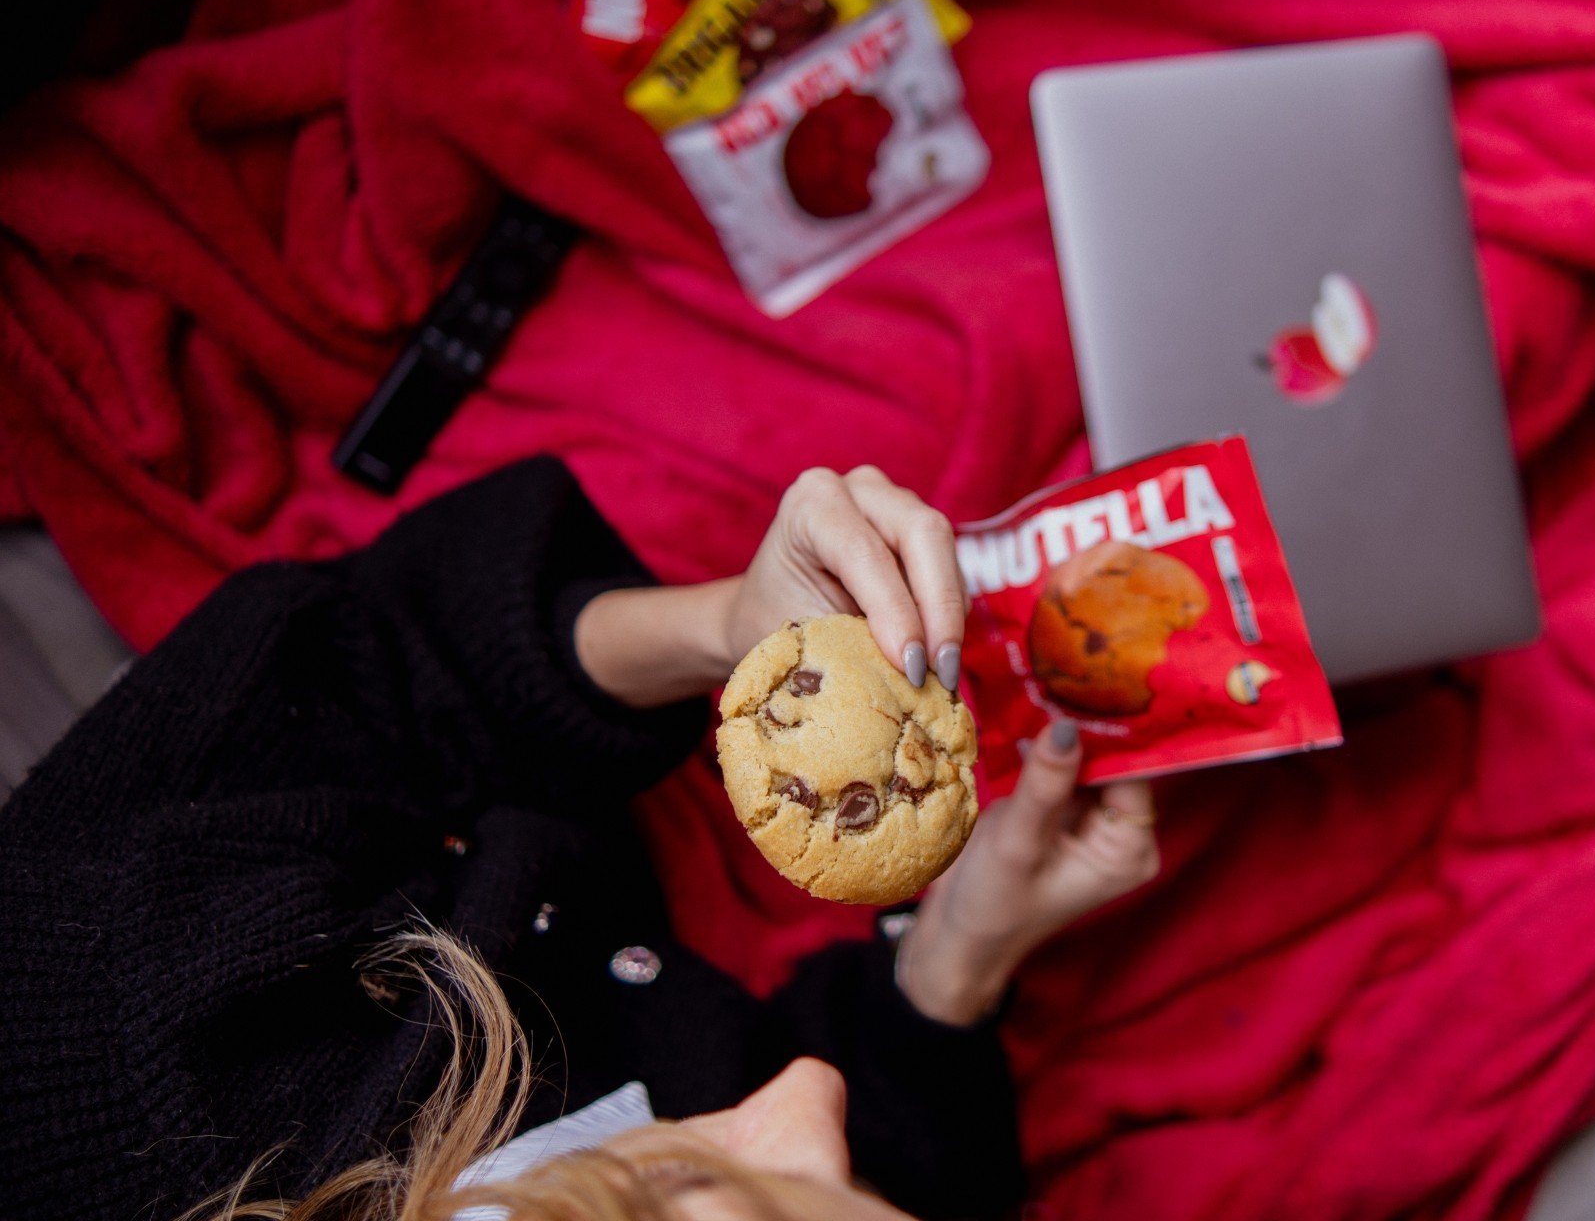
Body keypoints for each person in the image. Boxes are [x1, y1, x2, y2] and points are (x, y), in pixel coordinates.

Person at [0, 457, 1162, 1221]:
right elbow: (915, 1173)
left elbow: (366, 658)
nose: (812, 1093)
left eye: (678, 1193)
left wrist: (707, 628)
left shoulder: (128, 998)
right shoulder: (793, 1115)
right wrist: (950, 963)